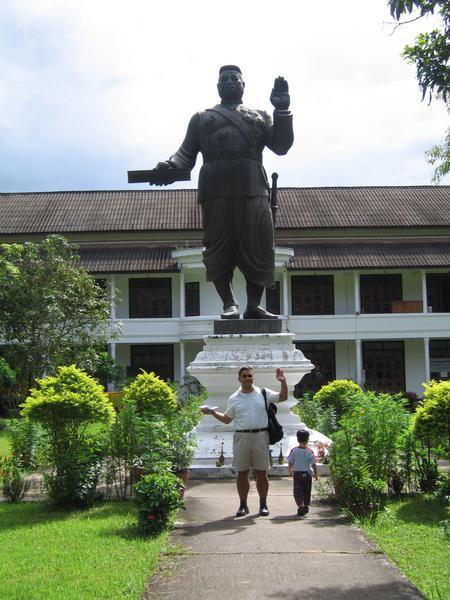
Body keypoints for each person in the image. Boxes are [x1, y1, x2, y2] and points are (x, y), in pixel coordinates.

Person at [157, 65, 294, 319]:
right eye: (224, 79)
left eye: (235, 78)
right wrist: (169, 168)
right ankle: (229, 303)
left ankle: (254, 305)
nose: (230, 82)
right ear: (217, 86)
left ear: (244, 84)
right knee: (219, 245)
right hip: (216, 189)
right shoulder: (202, 117)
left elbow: (281, 146)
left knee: (260, 244)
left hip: (253, 186)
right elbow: (184, 155)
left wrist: (282, 109)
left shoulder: (261, 115)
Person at [201, 366, 288, 516]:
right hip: (242, 437)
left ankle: (263, 504)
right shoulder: (234, 398)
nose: (247, 378)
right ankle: (243, 505)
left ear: (253, 377)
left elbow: (283, 397)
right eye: (244, 376)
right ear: (239, 379)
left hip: (261, 436)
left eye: (250, 376)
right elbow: (227, 419)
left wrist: (283, 381)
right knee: (242, 473)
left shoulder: (264, 393)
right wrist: (213, 412)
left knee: (262, 472)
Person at [287, 429, 318, 517]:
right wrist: (315, 473)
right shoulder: (310, 451)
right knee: (306, 490)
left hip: (297, 474)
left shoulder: (294, 450)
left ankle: (300, 505)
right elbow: (313, 464)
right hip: (307, 474)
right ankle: (306, 505)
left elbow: (290, 462)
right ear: (308, 439)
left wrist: (290, 470)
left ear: (297, 439)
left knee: (297, 490)